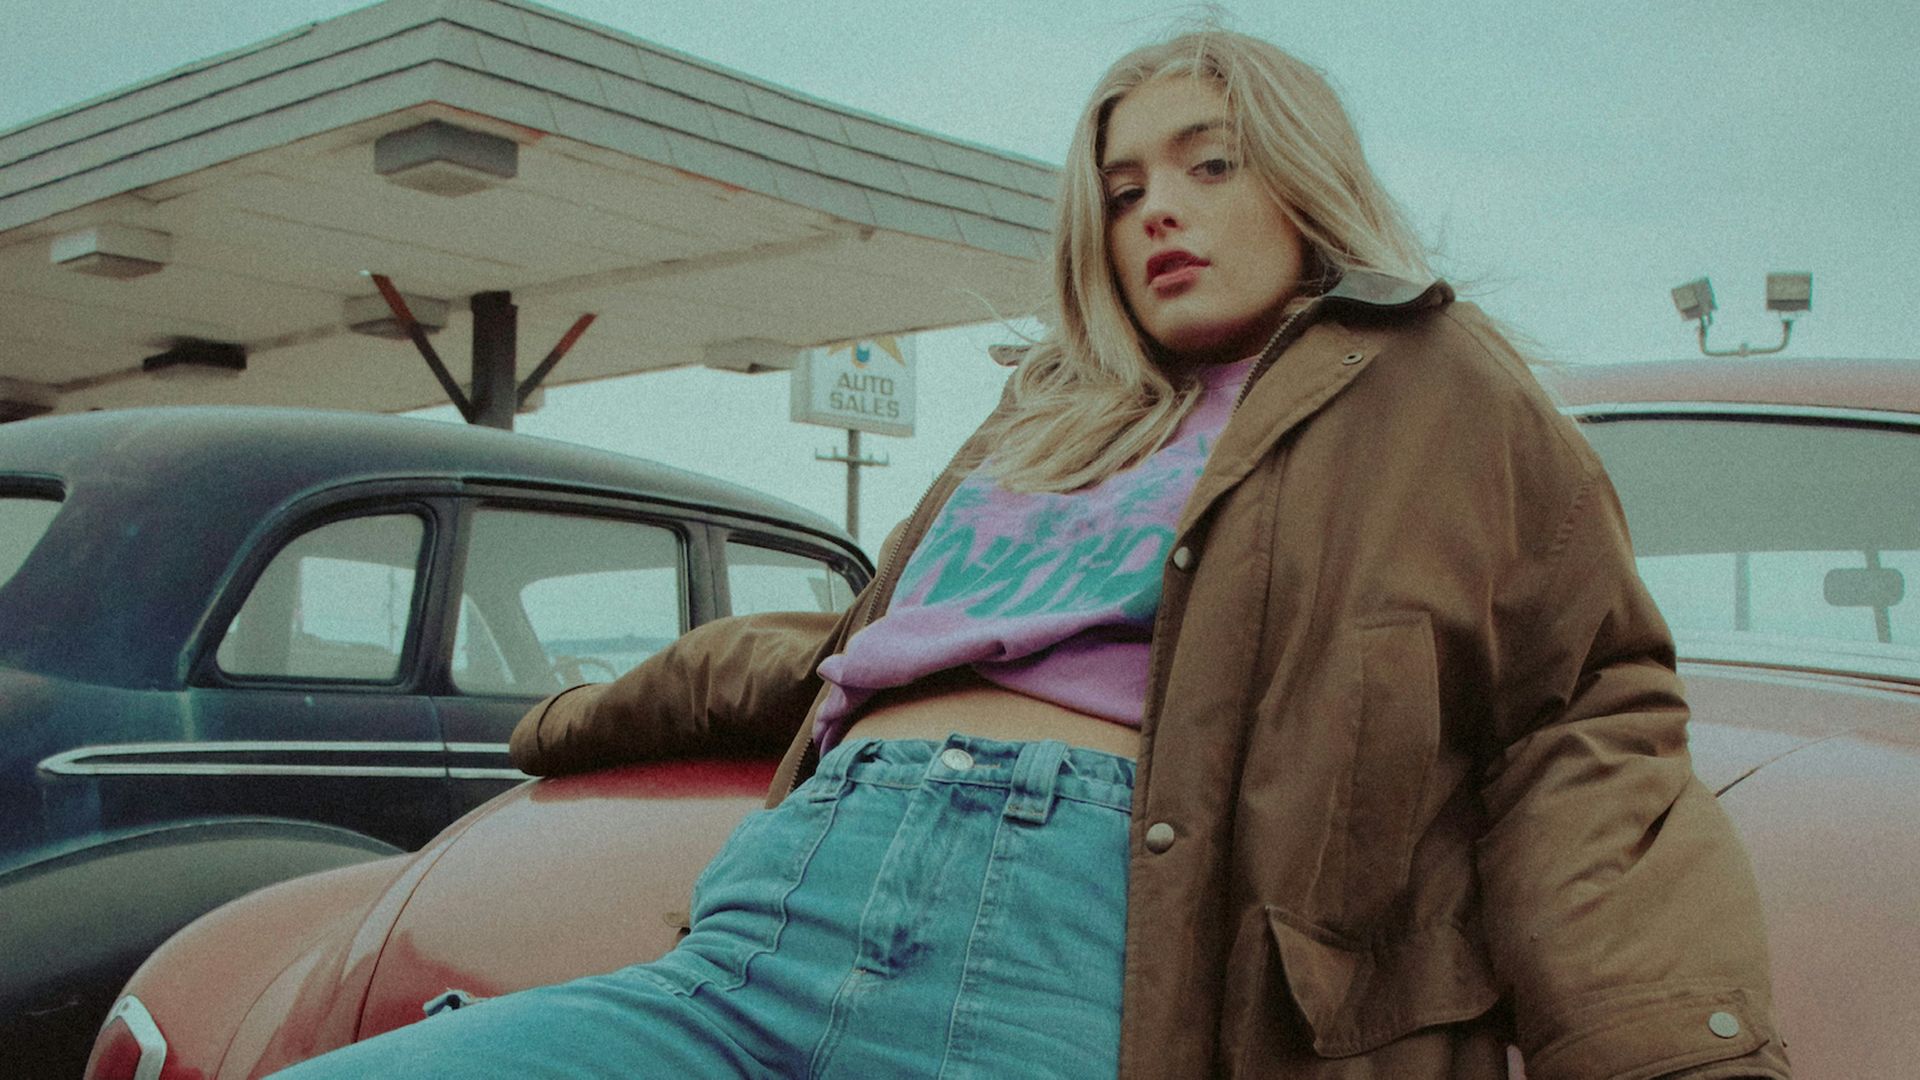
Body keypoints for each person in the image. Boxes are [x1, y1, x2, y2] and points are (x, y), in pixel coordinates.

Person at [275, 28, 1789, 1080]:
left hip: (1064, 946)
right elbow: (844, 652)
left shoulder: (1432, 384)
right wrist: (579, 719)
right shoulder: (1052, 410)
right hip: (774, 911)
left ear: (1301, 178)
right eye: (1124, 188)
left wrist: (1673, 1053)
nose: (1158, 214)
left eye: (1207, 166)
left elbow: (1581, 726)